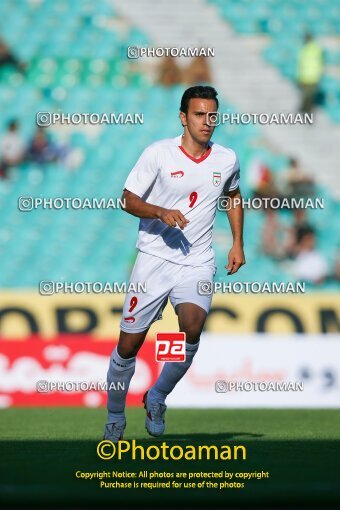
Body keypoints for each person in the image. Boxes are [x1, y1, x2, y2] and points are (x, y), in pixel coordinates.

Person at [104, 86, 245, 442]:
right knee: (128, 346)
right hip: (153, 259)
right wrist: (159, 212)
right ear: (183, 117)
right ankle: (115, 417)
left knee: (192, 328)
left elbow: (233, 196)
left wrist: (238, 243)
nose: (207, 122)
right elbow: (127, 199)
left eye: (212, 115)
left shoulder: (226, 159)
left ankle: (157, 396)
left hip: (196, 260)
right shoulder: (159, 154)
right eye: (199, 115)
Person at [297, 33, 323, 114]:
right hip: (309, 77)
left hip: (309, 77)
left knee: (308, 97)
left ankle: (306, 112)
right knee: (308, 97)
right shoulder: (315, 49)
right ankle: (306, 111)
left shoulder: (305, 49)